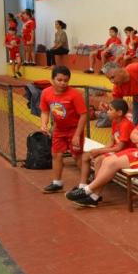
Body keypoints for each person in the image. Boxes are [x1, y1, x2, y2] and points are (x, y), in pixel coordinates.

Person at [65, 96, 138, 208]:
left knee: (112, 163)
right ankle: (93, 197)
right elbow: (133, 135)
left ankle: (87, 190)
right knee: (107, 160)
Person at [40, 66, 87, 194]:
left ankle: (84, 185)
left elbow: (83, 115)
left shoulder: (75, 94)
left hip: (74, 129)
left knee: (77, 156)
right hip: (58, 130)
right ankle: (57, 183)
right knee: (56, 155)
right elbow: (45, 111)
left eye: (66, 80)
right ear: (52, 79)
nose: (62, 83)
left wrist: (77, 135)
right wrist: (43, 124)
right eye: (59, 80)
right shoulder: (46, 93)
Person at [74, 98, 134, 189]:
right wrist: (100, 150)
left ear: (119, 113)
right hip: (116, 150)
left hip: (125, 152)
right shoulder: (114, 121)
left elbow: (119, 148)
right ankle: (82, 185)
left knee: (99, 160)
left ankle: (94, 190)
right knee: (86, 156)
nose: (107, 112)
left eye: (110, 109)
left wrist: (100, 152)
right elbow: (111, 141)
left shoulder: (126, 125)